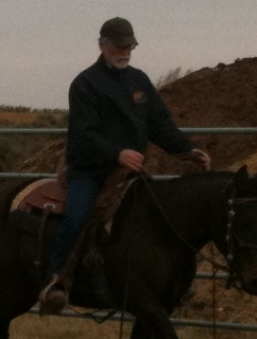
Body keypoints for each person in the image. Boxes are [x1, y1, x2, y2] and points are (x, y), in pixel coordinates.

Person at [39, 17, 210, 314]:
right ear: (102, 45)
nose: (125, 52)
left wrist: (187, 150)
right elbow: (84, 133)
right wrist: (117, 153)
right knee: (76, 216)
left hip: (128, 171)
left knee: (165, 214)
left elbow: (159, 123)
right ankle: (57, 279)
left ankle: (172, 281)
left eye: (129, 46)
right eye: (119, 46)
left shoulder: (139, 81)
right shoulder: (84, 84)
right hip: (91, 171)